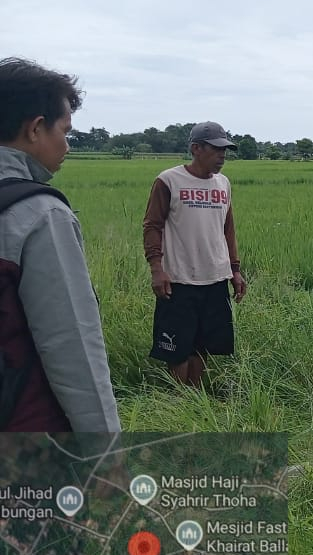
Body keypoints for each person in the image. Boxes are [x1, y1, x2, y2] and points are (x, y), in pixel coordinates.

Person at [0, 57, 119, 432]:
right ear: (36, 128)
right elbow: (73, 347)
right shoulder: (38, 214)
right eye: (65, 130)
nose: (67, 144)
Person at [143, 121, 247, 388]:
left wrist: (235, 270)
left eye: (225, 151)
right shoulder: (168, 181)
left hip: (215, 278)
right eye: (216, 150)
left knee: (204, 346)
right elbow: (152, 226)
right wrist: (157, 269)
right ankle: (179, 404)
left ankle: (196, 399)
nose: (222, 156)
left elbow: (228, 229)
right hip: (178, 280)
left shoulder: (223, 184)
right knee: (178, 347)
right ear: (196, 148)